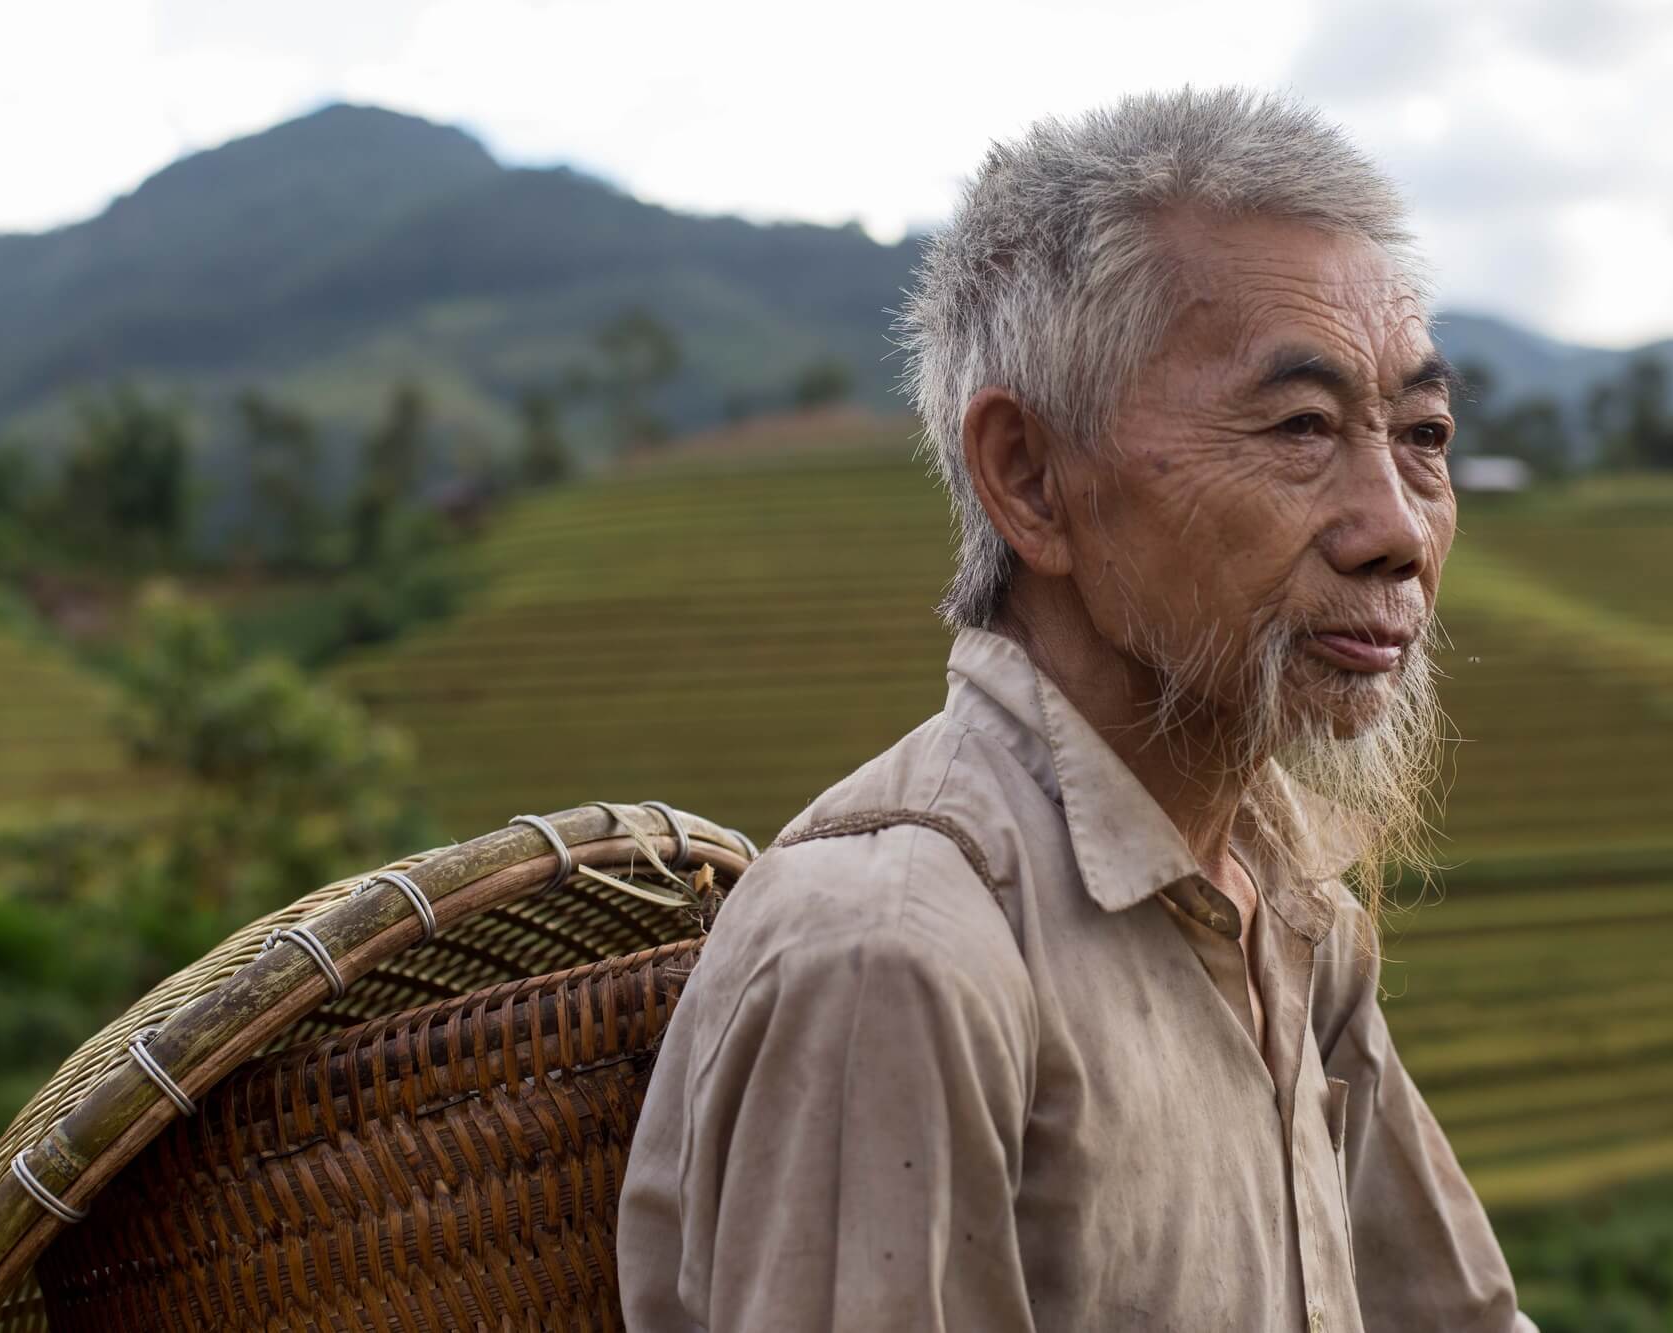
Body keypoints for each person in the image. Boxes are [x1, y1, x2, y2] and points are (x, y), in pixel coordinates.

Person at [618, 85, 1537, 1332]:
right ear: (1031, 481)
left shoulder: (1282, 897)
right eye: (1300, 427)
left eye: (1419, 434)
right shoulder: (895, 957)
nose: (1396, 531)